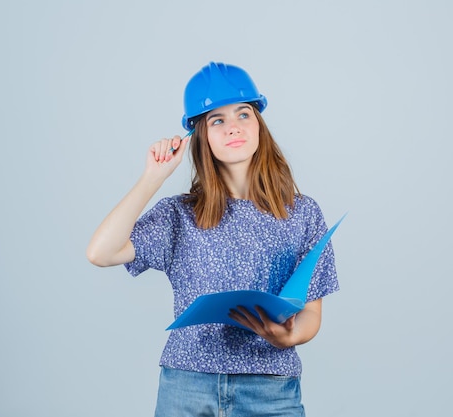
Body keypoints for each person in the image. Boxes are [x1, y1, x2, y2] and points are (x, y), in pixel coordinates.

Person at [86, 62, 339, 416]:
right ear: (201, 135)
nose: (233, 127)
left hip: (270, 387)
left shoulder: (302, 213)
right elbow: (101, 252)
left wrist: (291, 336)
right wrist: (153, 178)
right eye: (217, 120)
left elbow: (312, 311)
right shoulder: (179, 215)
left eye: (243, 114)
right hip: (187, 387)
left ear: (259, 125)